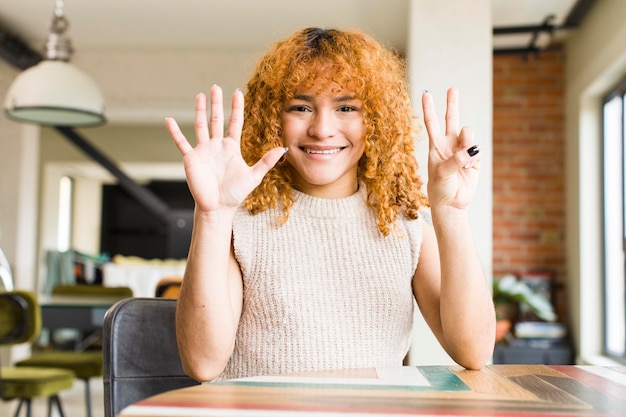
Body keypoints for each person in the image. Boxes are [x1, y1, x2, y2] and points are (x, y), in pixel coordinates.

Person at [165, 27, 495, 382]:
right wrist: (212, 217)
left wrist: (451, 212)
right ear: (274, 119)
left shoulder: (406, 228)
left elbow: (474, 351)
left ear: (376, 121)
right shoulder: (240, 224)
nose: (322, 129)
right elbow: (202, 363)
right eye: (301, 106)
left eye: (346, 107)